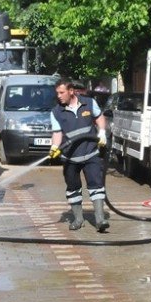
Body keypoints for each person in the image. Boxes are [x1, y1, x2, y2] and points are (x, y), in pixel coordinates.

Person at [48, 78, 109, 232]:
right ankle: (78, 219)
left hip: (91, 153)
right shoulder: (56, 112)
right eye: (57, 93)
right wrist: (55, 146)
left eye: (62, 92)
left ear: (71, 91)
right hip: (70, 158)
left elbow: (100, 118)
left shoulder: (89, 103)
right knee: (73, 188)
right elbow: (57, 133)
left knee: (96, 186)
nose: (59, 96)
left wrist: (102, 133)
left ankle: (100, 220)